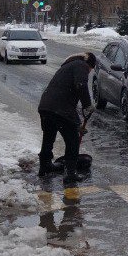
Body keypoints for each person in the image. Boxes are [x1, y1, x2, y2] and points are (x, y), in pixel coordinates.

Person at [37, 52, 96, 185]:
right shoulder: (81, 65)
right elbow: (81, 85)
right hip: (60, 108)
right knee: (73, 141)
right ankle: (70, 174)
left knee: (49, 136)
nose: (90, 71)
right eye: (91, 69)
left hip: (46, 106)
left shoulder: (67, 66)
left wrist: (78, 122)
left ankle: (45, 166)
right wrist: (87, 105)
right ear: (90, 64)